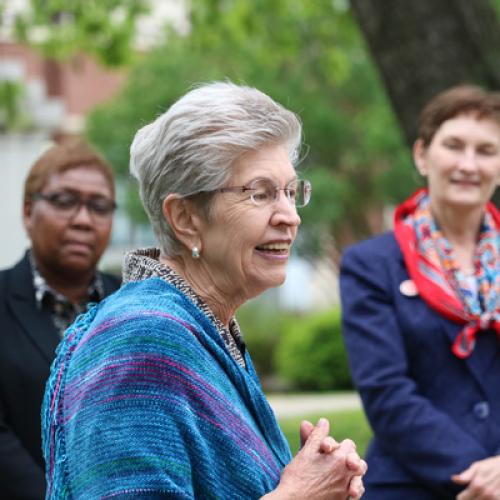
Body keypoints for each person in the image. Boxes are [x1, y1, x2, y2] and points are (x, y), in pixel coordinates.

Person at [42, 82, 367, 499]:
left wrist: (319, 480)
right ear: (185, 217)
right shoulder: (140, 340)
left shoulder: (204, 326)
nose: (290, 217)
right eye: (260, 193)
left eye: (290, 192)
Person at [340, 84, 500, 499]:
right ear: (421, 155)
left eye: (486, 150)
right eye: (453, 146)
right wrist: (482, 478)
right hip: (410, 485)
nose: (469, 163)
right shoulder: (370, 264)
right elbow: (387, 393)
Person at [0, 139, 120, 499]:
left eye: (99, 207)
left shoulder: (135, 304)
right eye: (65, 201)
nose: (83, 220)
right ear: (27, 212)